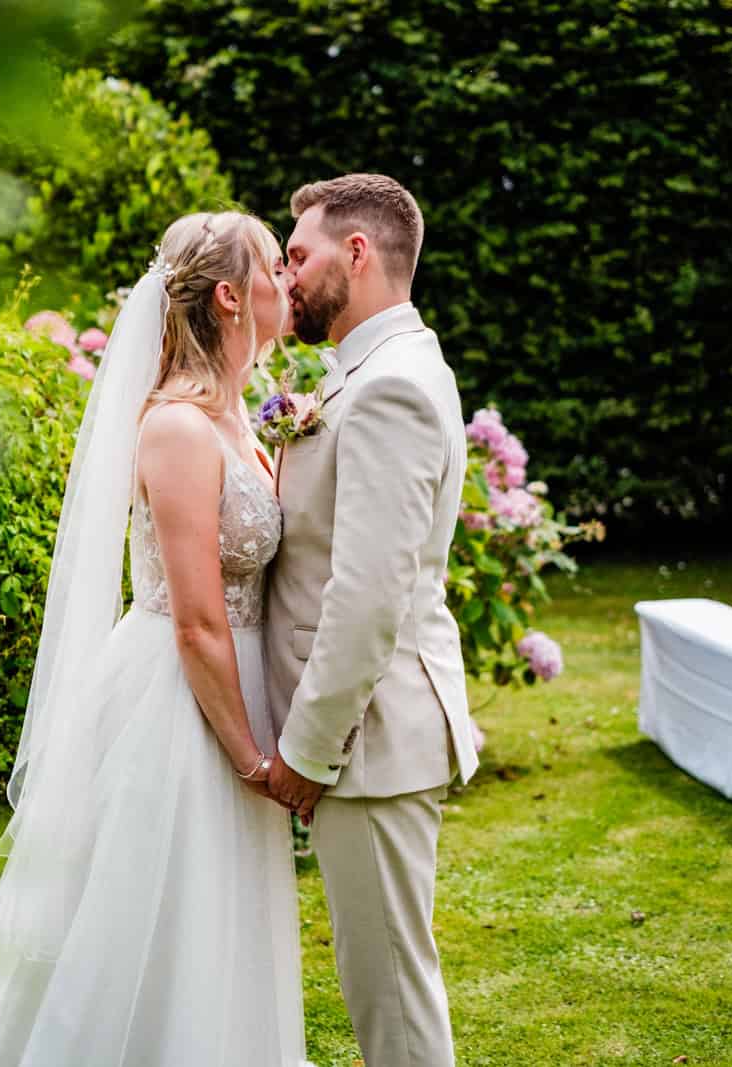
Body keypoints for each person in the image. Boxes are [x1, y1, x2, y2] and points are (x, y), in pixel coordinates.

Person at [0, 209, 306, 1066]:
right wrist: (251, 756)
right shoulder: (179, 427)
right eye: (271, 267)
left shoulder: (242, 421)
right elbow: (194, 617)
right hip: (183, 706)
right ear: (229, 298)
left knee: (220, 922)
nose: (287, 283)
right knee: (141, 920)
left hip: (238, 684)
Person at [264, 173, 479, 1067]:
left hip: (369, 739)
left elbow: (367, 595)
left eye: (299, 254)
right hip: (369, 734)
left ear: (358, 253)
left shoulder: (389, 387)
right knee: (382, 982)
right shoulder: (370, 373)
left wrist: (307, 750)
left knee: (391, 998)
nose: (286, 277)